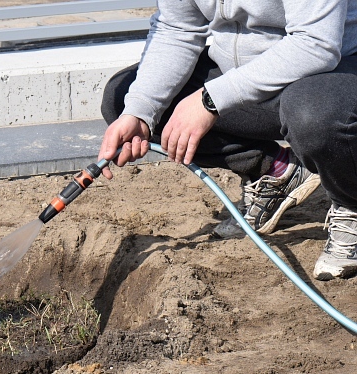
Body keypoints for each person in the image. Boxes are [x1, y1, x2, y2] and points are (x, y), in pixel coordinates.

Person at [98, 0, 357, 281]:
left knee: (314, 116)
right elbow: (177, 28)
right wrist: (140, 109)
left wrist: (211, 100)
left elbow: (316, 44)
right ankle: (275, 170)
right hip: (250, 73)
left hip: (334, 70)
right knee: (125, 99)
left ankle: (351, 204)